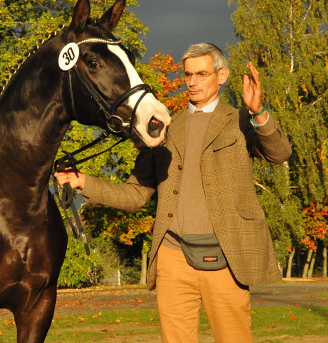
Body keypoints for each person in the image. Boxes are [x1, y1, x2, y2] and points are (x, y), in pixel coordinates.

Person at [55, 43, 292, 342]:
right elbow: (136, 195)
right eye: (188, 74)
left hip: (227, 257)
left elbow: (279, 153)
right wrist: (82, 181)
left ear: (222, 76)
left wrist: (258, 112)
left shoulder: (241, 121)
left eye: (201, 74)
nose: (192, 82)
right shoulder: (164, 126)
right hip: (172, 257)